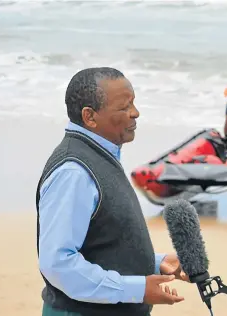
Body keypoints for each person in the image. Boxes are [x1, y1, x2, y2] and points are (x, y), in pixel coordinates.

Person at [37, 67, 189, 316]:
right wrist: (137, 289)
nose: (135, 113)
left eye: (134, 103)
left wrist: (155, 262)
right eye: (124, 107)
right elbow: (58, 264)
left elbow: (101, 242)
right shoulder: (74, 171)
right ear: (90, 117)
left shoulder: (100, 155)